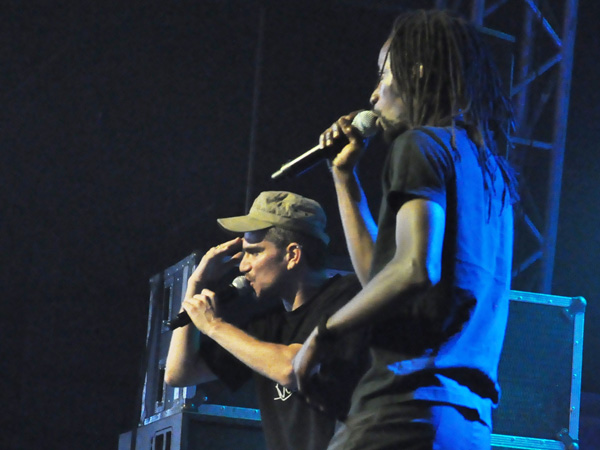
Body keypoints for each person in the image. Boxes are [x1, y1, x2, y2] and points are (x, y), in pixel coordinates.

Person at [293, 9, 519, 450]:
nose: (374, 95)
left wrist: (322, 334)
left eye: (383, 74)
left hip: (403, 410)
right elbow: (382, 281)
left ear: (415, 73)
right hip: (467, 425)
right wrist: (345, 179)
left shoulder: (420, 146)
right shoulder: (492, 174)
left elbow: (416, 268)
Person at [164, 190, 367, 450]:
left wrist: (214, 326)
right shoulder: (266, 327)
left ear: (292, 255)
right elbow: (179, 373)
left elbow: (291, 368)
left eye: (254, 252)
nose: (242, 266)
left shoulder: (349, 296)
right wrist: (195, 284)